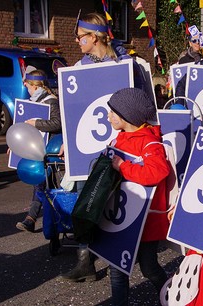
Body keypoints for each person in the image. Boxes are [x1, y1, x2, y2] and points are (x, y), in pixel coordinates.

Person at [60, 11, 147, 282]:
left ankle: (131, 258)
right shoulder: (77, 69)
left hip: (124, 145)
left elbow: (144, 106)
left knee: (119, 203)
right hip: (89, 149)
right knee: (85, 202)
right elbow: (73, 111)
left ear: (94, 37)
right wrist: (67, 140)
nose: (76, 41)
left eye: (80, 37)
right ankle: (85, 261)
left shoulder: (128, 65)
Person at [106, 87, 170, 305]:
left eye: (113, 113)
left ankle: (172, 298)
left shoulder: (151, 143)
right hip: (121, 216)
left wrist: (123, 167)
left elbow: (156, 172)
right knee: (116, 269)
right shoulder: (119, 139)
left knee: (149, 268)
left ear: (127, 115)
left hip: (145, 220)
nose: (108, 117)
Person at [15, 69, 62, 232]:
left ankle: (34, 219)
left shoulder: (51, 102)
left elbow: (58, 123)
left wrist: (37, 123)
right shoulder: (33, 102)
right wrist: (14, 148)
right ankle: (31, 218)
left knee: (45, 185)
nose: (27, 89)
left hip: (50, 151)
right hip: (38, 150)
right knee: (39, 184)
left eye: (27, 86)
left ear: (34, 86)